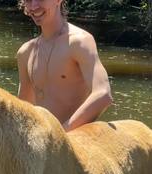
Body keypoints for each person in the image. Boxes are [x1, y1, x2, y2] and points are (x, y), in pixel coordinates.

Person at [17, 0, 112, 132]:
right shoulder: (25, 52)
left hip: (74, 142)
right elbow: (23, 109)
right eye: (28, 0)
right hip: (41, 141)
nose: (34, 6)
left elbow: (103, 95)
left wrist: (61, 135)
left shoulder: (79, 42)